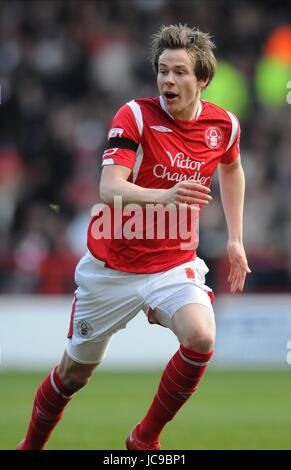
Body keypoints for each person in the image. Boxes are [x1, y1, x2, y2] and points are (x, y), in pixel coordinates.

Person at [17, 24, 251, 451]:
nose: (168, 81)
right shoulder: (137, 115)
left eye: (180, 72)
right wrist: (167, 195)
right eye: (163, 70)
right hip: (113, 268)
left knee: (201, 337)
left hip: (171, 263)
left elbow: (232, 168)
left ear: (202, 80)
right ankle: (29, 446)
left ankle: (144, 439)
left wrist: (236, 237)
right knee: (74, 375)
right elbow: (110, 187)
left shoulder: (224, 126)